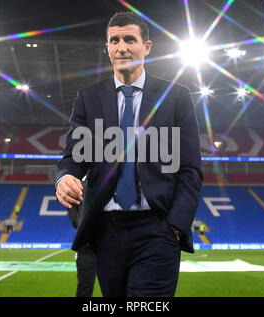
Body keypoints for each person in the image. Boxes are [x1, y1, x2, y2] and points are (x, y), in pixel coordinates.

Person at [55, 12, 203, 297]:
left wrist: (175, 225)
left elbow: (190, 169)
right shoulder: (88, 97)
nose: (121, 46)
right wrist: (64, 177)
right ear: (107, 48)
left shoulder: (176, 96)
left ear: (146, 47)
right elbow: (73, 157)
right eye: (114, 40)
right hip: (106, 232)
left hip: (158, 230)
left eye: (129, 39)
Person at [67, 178, 96, 297]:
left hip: (110, 243)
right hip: (86, 247)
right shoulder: (75, 184)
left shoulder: (107, 176)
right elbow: (75, 220)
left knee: (116, 287)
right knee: (85, 288)